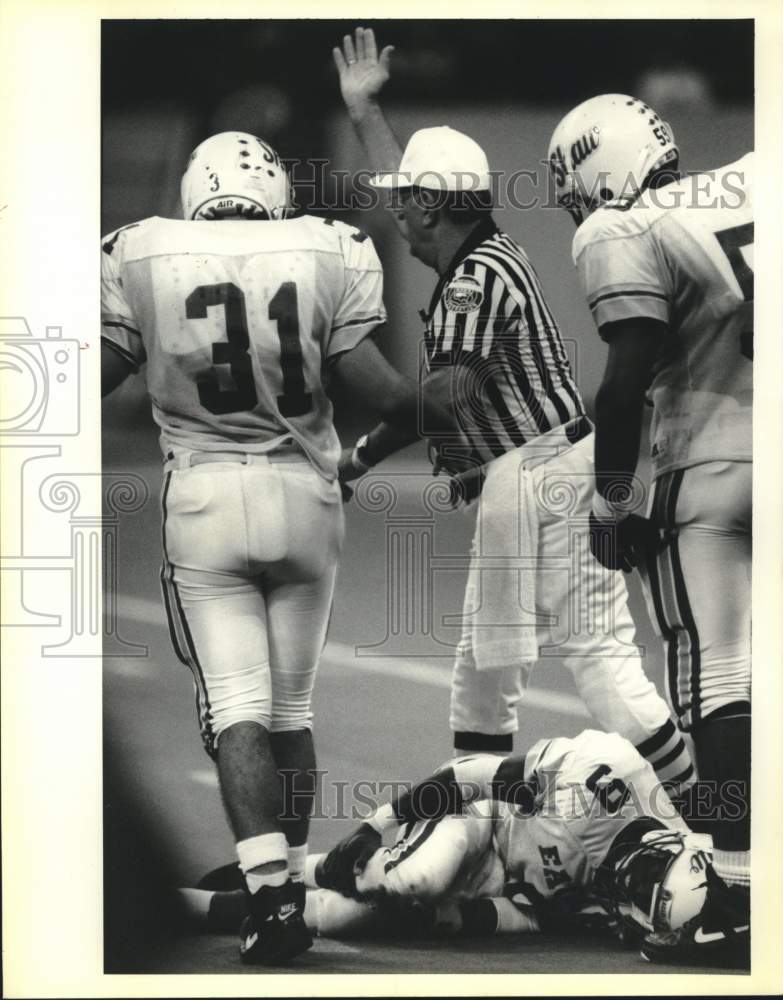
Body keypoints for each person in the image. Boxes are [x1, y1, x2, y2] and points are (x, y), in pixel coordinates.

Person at [100, 131, 454, 965]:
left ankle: (269, 897)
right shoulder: (325, 247)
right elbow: (386, 395)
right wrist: (425, 403)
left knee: (237, 709)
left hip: (207, 498)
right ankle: (286, 879)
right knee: (290, 710)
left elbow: (99, 369)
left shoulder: (143, 249)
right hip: (307, 497)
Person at [331, 28, 694, 790]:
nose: (395, 211)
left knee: (591, 664)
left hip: (534, 476)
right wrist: (365, 109)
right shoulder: (482, 255)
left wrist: (343, 366)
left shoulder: (471, 281)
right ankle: (484, 829)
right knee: (486, 671)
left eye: (407, 202)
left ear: (433, 208)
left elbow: (442, 399)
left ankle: (707, 806)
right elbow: (439, 402)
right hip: (533, 475)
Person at [547, 93, 752, 963]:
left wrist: (609, 502)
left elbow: (622, 381)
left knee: (719, 683)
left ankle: (732, 888)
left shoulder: (623, 228)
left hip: (706, 469)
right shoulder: (753, 182)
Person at [178, 728, 730, 966]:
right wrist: (377, 823)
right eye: (646, 873)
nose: (632, 882)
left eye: (641, 894)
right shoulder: (603, 779)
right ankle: (305, 873)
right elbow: (470, 775)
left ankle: (191, 905)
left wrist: (463, 920)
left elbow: (545, 918)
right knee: (414, 883)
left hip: (524, 903)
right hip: (485, 822)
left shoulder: (650, 915)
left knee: (364, 921)